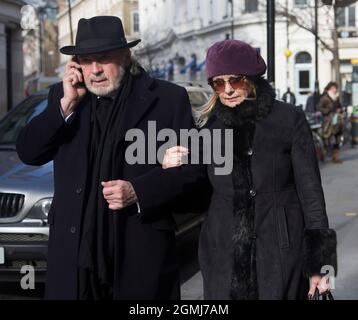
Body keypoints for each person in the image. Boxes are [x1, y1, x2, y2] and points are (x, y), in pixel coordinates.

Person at [16, 16, 205, 300]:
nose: (95, 70)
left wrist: (139, 191)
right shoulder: (64, 96)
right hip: (74, 260)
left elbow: (195, 174)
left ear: (126, 56)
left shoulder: (167, 99)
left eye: (103, 59)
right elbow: (29, 152)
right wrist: (66, 105)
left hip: (138, 258)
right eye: (86, 60)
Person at [162, 40, 337, 300]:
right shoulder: (210, 129)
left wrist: (320, 265)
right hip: (222, 255)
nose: (228, 89)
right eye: (219, 83)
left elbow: (311, 194)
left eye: (236, 80)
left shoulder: (288, 119)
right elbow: (197, 197)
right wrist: (172, 165)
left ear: (253, 78)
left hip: (280, 251)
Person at [317, 82, 344, 163]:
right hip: (328, 122)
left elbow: (340, 107)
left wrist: (340, 110)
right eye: (333, 88)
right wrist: (328, 110)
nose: (335, 90)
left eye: (335, 88)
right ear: (329, 88)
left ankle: (335, 157)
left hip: (337, 121)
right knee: (327, 138)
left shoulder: (337, 97)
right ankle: (322, 154)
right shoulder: (325, 97)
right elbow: (319, 107)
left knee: (337, 139)